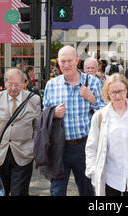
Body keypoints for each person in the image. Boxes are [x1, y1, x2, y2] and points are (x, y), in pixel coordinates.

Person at [42, 45, 106, 196]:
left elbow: (106, 115)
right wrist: (53, 114)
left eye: (70, 61)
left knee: (87, 189)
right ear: (58, 62)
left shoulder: (93, 83)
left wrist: (92, 99)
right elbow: (43, 115)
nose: (66, 65)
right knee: (57, 191)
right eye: (62, 61)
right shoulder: (51, 85)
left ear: (77, 61)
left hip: (85, 146)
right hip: (59, 147)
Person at [85, 74, 128, 196]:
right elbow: (91, 147)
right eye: (113, 92)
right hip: (110, 177)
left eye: (121, 91)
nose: (117, 96)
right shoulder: (100, 116)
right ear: (108, 94)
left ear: (127, 90)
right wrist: (93, 171)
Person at [0, 68, 42, 196]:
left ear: (24, 83)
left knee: (20, 193)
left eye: (17, 84)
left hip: (23, 155)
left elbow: (38, 129)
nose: (13, 88)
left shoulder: (34, 100)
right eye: (10, 84)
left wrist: (35, 150)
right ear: (5, 83)